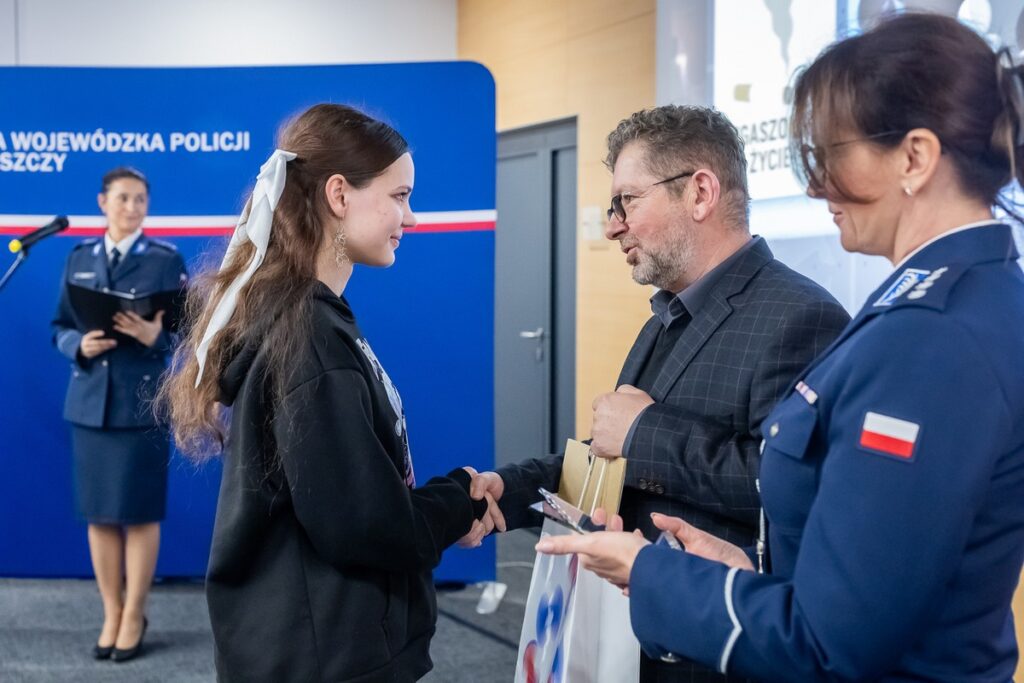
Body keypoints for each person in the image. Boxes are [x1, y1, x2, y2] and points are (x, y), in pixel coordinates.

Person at [536, 12, 1024, 682]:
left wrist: (650, 570)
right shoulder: (954, 301)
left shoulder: (932, 337)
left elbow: (833, 644)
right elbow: (875, 574)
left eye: (831, 155)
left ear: (915, 157)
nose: (817, 185)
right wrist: (748, 571)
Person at [467, 105, 850, 681]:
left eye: (627, 201)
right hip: (645, 636)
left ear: (699, 193)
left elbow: (795, 490)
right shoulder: (667, 316)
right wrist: (512, 490)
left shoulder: (804, 317)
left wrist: (645, 432)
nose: (613, 223)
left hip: (719, 650)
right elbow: (615, 460)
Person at [158, 103, 493, 682]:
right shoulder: (310, 337)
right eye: (399, 196)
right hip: (324, 657)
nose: (410, 218)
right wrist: (458, 499)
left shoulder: (300, 320)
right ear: (339, 195)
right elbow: (364, 527)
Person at [51, 166, 187, 662]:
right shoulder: (80, 257)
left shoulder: (165, 261)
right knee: (100, 515)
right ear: (102, 202)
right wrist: (77, 345)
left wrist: (158, 339)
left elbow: (188, 332)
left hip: (142, 403)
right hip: (90, 404)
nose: (132, 207)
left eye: (141, 199)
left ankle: (135, 612)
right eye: (123, 198)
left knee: (140, 513)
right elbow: (59, 326)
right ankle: (111, 610)